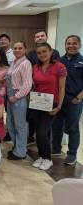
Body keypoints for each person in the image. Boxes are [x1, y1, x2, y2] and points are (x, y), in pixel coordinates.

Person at [30, 42, 67, 170]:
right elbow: (34, 85)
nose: (42, 55)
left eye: (44, 51)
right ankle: (41, 156)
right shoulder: (35, 67)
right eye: (39, 53)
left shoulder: (59, 67)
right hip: (37, 103)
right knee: (38, 132)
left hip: (52, 104)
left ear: (51, 52)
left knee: (42, 132)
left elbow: (62, 88)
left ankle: (48, 159)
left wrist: (59, 107)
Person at [52, 35, 83, 165]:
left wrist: (79, 97)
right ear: (65, 45)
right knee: (57, 126)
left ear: (79, 45)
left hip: (74, 100)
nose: (71, 46)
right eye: (68, 43)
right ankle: (56, 149)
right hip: (60, 100)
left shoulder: (82, 61)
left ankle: (72, 154)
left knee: (73, 128)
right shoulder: (59, 61)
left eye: (74, 43)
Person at [27, 29, 60, 145]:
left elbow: (60, 85)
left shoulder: (57, 62)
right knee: (36, 124)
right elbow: (30, 76)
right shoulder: (32, 59)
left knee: (44, 130)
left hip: (51, 99)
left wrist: (59, 105)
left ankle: (48, 153)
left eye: (42, 35)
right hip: (37, 97)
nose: (42, 55)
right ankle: (36, 146)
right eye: (37, 36)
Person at [6, 41, 32, 160]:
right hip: (10, 96)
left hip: (18, 97)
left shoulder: (26, 63)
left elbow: (27, 84)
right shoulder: (14, 63)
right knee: (10, 123)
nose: (17, 50)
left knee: (20, 125)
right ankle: (17, 146)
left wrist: (16, 96)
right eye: (15, 48)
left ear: (25, 49)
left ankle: (21, 152)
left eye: (20, 48)